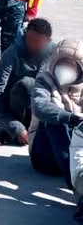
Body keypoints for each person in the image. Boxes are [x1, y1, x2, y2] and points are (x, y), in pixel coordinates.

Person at [0, 18, 53, 146]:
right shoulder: (12, 53)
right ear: (25, 35)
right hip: (15, 103)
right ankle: (13, 130)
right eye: (30, 39)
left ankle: (37, 130)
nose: (33, 45)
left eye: (38, 42)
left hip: (41, 108)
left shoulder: (55, 55)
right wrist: (14, 126)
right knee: (25, 85)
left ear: (48, 41)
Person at [29, 39, 83, 192]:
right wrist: (70, 118)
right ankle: (77, 187)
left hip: (77, 153)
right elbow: (40, 107)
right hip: (46, 155)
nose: (65, 68)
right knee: (54, 121)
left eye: (71, 65)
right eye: (62, 62)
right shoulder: (44, 80)